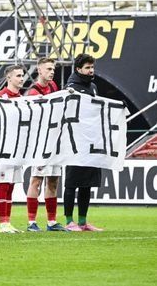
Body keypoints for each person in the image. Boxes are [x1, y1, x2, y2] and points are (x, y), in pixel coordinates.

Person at [63, 54, 104, 232]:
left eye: (92, 67)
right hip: (75, 141)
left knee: (87, 183)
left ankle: (83, 221)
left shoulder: (93, 87)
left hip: (91, 141)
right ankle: (69, 221)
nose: (91, 71)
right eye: (87, 68)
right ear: (78, 69)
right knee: (72, 182)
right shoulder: (71, 88)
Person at [24, 58, 66, 232]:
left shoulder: (54, 87)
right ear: (39, 71)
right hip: (40, 143)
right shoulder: (33, 92)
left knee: (54, 181)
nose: (52, 72)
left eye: (53, 69)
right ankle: (31, 222)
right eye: (48, 69)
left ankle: (51, 221)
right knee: (36, 180)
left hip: (54, 141)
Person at [0, 65, 26, 234]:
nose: (22, 78)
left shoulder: (21, 98)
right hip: (3, 148)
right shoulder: (0, 97)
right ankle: (2, 224)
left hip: (17, 148)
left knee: (11, 185)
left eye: (22, 75)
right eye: (18, 75)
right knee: (3, 184)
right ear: (9, 78)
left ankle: (8, 222)